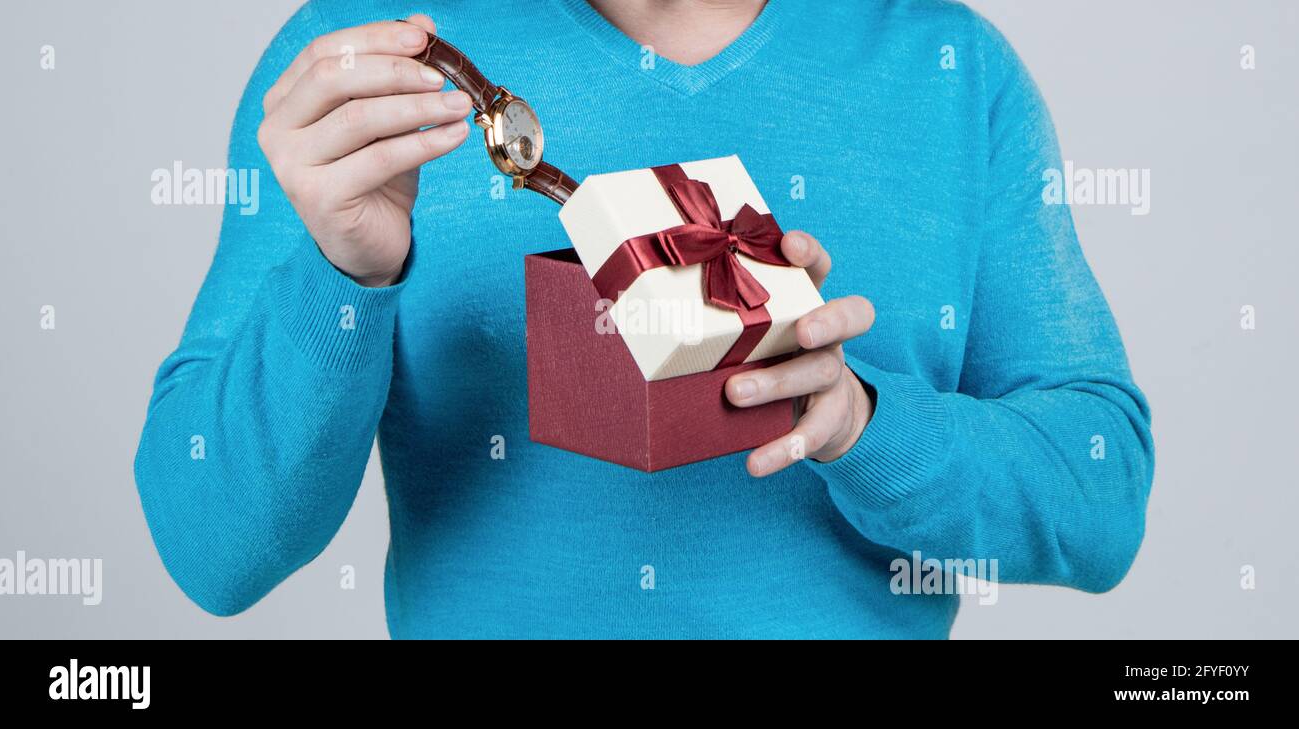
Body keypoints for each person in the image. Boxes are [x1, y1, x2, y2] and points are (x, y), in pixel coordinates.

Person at [134, 0, 1154, 638]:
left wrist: (862, 423)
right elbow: (211, 551)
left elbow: (1099, 496)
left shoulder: (950, 66)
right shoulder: (364, 72)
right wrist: (341, 274)